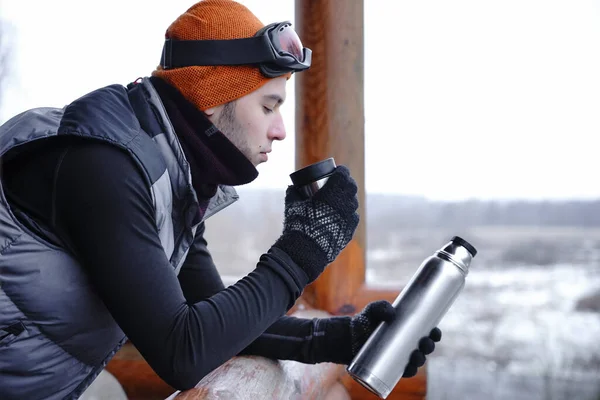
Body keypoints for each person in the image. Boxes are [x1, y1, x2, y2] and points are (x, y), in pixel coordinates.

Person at [0, 1, 441, 399]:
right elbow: (184, 352)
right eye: (269, 107)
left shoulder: (176, 183)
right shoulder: (102, 165)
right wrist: (299, 255)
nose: (280, 130)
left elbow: (214, 321)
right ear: (211, 100)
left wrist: (343, 338)